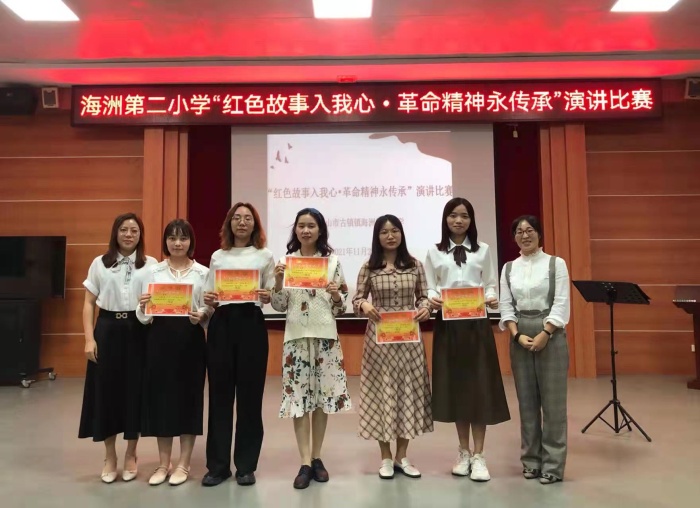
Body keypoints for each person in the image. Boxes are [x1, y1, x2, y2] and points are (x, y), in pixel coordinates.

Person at [424, 197, 510, 482]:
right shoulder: (434, 252)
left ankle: (479, 455)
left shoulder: (483, 250)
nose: (458, 221)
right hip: (448, 326)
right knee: (457, 386)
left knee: (479, 386)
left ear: (471, 220)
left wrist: (491, 297)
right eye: (453, 215)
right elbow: (430, 287)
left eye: (464, 216)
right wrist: (432, 298)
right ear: (445, 219)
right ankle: (463, 451)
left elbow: (490, 284)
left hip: (476, 325)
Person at [271, 207, 352, 489]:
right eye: (301, 225)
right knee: (298, 401)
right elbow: (279, 305)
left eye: (311, 226)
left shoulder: (332, 263)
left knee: (321, 400)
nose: (306, 230)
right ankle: (304, 462)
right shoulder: (286, 262)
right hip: (296, 339)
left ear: (320, 230)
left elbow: (341, 307)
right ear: (295, 230)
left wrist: (336, 295)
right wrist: (278, 280)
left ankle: (317, 457)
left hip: (325, 339)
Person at [78, 212, 157, 483]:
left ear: (140, 235)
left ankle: (131, 454)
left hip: (139, 330)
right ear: (116, 233)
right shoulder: (99, 263)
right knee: (107, 392)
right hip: (107, 329)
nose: (129, 235)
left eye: (134, 230)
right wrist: (89, 338)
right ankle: (109, 455)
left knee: (135, 391)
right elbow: (89, 303)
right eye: (124, 229)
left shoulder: (151, 265)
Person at [352, 215, 432, 480]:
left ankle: (402, 456)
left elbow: (424, 297)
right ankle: (385, 457)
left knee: (407, 392)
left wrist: (425, 308)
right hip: (379, 341)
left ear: (401, 234)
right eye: (384, 232)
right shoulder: (369, 267)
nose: (390, 236)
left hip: (409, 340)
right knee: (383, 394)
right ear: (377, 236)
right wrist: (364, 305)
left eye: (395, 230)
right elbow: (357, 299)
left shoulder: (414, 265)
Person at [200, 202, 275, 487]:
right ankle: (218, 466)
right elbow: (209, 293)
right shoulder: (218, 256)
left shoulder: (264, 255)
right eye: (237, 218)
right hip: (222, 324)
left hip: (251, 324)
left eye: (247, 218)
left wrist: (268, 295)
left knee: (250, 398)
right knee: (219, 396)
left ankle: (245, 465)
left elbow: (272, 292)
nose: (242, 222)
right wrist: (208, 299)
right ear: (229, 223)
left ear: (255, 224)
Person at [136, 219, 209, 486]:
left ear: (191, 242)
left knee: (189, 400)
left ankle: (184, 463)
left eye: (183, 238)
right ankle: (163, 463)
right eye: (172, 238)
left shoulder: (202, 273)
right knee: (161, 400)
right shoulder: (153, 272)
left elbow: (208, 308)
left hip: (191, 342)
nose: (177, 243)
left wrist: (202, 314)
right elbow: (143, 315)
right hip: (159, 342)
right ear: (165, 241)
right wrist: (142, 307)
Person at [499, 215, 570, 485]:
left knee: (553, 405)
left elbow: (561, 302)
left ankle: (553, 465)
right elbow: (506, 306)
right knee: (527, 404)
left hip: (549, 331)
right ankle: (531, 461)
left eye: (529, 230)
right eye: (519, 232)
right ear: (514, 237)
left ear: (539, 234)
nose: (525, 235)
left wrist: (545, 333)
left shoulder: (555, 263)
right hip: (520, 334)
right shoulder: (509, 268)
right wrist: (516, 335)